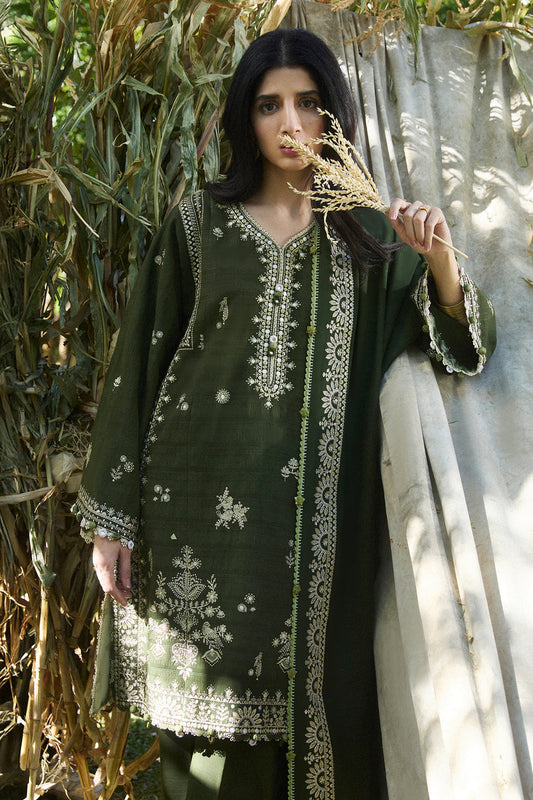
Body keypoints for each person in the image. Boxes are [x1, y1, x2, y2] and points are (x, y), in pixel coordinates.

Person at [73, 28, 496, 800]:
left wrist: (436, 256)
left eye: (307, 103)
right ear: (247, 117)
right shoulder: (196, 227)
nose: (291, 124)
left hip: (314, 539)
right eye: (269, 106)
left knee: (319, 718)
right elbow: (138, 366)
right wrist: (111, 522)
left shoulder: (369, 238)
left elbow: (459, 347)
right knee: (201, 742)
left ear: (333, 114)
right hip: (189, 518)